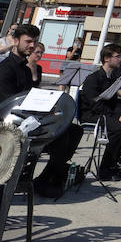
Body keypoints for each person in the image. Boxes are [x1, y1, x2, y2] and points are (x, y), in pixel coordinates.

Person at [0, 23, 83, 198]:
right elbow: (11, 105)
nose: (32, 46)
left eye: (34, 42)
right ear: (16, 41)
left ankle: (47, 177)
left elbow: (30, 97)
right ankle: (44, 181)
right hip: (10, 125)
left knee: (75, 130)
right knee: (62, 137)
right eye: (28, 41)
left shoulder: (25, 68)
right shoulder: (5, 68)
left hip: (27, 119)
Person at [80, 44, 121, 180]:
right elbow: (96, 105)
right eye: (118, 56)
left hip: (105, 113)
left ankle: (117, 163)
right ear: (106, 58)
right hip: (91, 114)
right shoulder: (93, 78)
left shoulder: (111, 79)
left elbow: (113, 103)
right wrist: (118, 117)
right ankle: (105, 169)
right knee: (120, 127)